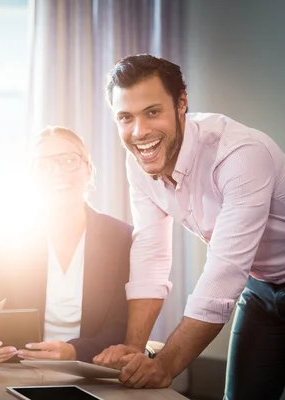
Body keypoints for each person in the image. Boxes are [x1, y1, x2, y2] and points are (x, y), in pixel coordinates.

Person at [93, 54, 285, 399]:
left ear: (181, 103)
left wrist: (164, 365)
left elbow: (224, 274)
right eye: (125, 117)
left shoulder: (240, 154)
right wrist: (134, 348)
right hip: (261, 290)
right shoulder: (140, 159)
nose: (139, 132)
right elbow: (150, 252)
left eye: (153, 112)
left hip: (248, 278)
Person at [0, 126, 132, 366]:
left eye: (69, 160)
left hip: (92, 369)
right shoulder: (7, 239)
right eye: (44, 165)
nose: (58, 172)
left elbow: (121, 328)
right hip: (20, 368)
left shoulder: (120, 238)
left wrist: (74, 351)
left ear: (89, 170)